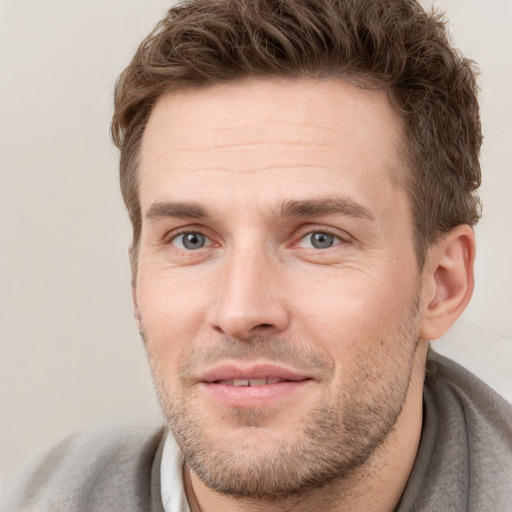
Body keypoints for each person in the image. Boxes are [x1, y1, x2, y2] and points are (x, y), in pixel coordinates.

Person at [2, 0, 511, 510]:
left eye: (320, 238)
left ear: (442, 285)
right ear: (136, 282)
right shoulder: (42, 496)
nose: (241, 312)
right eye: (191, 239)